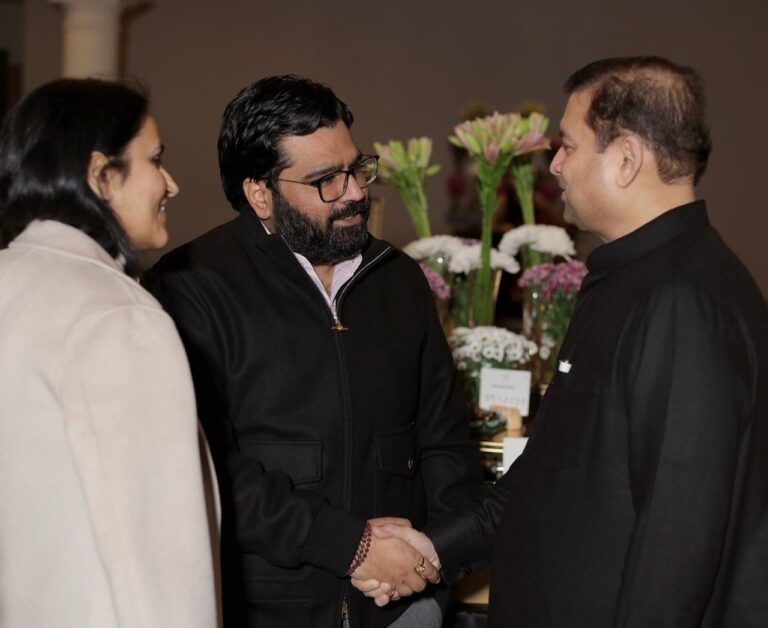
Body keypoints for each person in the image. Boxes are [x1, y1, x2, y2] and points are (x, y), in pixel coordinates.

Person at [364, 56, 768, 628]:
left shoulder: (684, 300)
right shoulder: (633, 277)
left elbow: (676, 548)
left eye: (568, 146)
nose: (554, 165)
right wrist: (433, 548)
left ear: (626, 158)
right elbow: (548, 472)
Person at [143, 74, 482, 628]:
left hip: (401, 606)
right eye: (326, 179)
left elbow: (445, 444)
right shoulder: (191, 288)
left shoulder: (398, 279)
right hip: (263, 610)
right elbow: (208, 471)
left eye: (356, 168)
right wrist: (353, 547)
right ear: (260, 193)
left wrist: (438, 554)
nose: (353, 192)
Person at [0, 78, 219, 628]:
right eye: (155, 160)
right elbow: (159, 559)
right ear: (102, 174)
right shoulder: (116, 316)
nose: (171, 183)